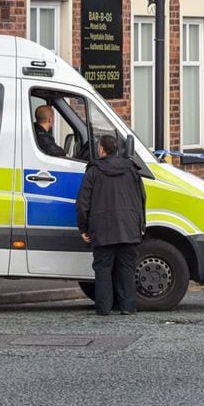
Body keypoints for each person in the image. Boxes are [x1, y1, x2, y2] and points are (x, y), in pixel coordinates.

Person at [75, 133, 146, 315]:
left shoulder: (93, 171)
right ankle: (128, 307)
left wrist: (83, 228)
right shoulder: (132, 170)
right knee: (127, 269)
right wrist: (141, 224)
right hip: (129, 228)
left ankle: (104, 308)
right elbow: (141, 198)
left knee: (103, 269)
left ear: (101, 149)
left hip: (102, 228)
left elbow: (83, 202)